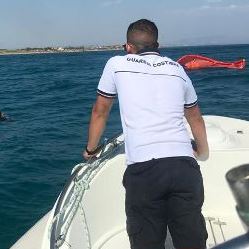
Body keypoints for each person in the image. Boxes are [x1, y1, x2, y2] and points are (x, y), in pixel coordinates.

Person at [83, 19, 209, 249]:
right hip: (185, 168)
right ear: (157, 45)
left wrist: (91, 150)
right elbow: (196, 119)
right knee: (192, 241)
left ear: (128, 47)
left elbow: (100, 112)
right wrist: (202, 152)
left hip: (144, 171)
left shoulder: (116, 64)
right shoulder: (177, 69)